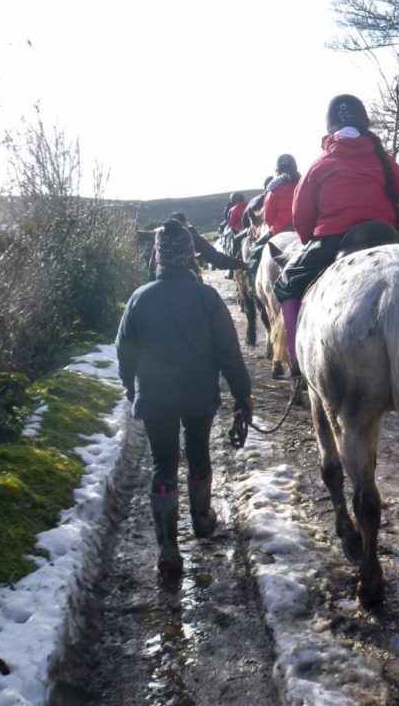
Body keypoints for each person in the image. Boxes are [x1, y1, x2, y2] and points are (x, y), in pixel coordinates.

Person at [116, 218, 253, 575]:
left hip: (155, 397)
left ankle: (168, 547)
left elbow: (124, 352)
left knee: (162, 463)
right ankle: (202, 520)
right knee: (197, 452)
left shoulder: (139, 298)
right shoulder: (206, 298)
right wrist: (242, 395)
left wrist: (131, 387)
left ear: (159, 257)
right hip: (198, 394)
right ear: (191, 256)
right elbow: (229, 352)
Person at [274, 94, 399, 378]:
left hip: (334, 239)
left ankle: (296, 361)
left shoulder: (320, 165)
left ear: (330, 128)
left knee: (287, 283)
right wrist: (395, 231)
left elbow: (301, 216)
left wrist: (310, 239)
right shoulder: (384, 161)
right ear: (365, 123)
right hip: (385, 234)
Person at [147, 211, 245, 280]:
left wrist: (151, 285)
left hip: (161, 283)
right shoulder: (192, 237)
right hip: (189, 283)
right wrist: (242, 264)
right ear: (185, 225)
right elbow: (216, 258)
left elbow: (152, 266)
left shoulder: (161, 240)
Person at [245, 155, 300, 274]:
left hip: (279, 230)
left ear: (278, 171)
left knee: (256, 250)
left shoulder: (273, 191)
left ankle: (251, 276)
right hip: (303, 228)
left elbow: (268, 218)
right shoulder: (304, 184)